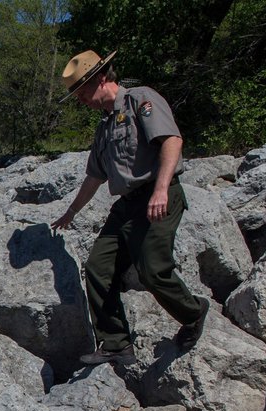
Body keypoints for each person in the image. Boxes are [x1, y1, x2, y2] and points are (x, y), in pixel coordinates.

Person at [51, 49, 208, 365]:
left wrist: (162, 189)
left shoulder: (140, 100)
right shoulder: (104, 128)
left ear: (101, 79)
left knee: (152, 269)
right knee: (97, 267)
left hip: (157, 194)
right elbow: (94, 177)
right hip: (126, 205)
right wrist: (71, 212)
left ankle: (194, 312)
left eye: (82, 91)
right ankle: (116, 343)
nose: (81, 99)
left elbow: (172, 141)